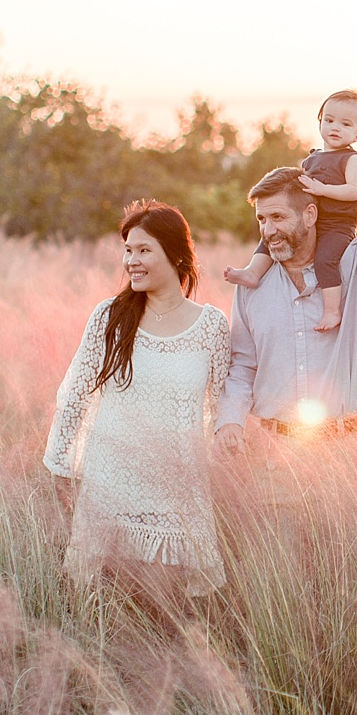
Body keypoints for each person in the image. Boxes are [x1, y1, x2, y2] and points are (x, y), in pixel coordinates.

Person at [44, 200, 232, 607]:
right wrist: (61, 467)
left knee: (164, 614)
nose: (132, 260)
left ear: (177, 254)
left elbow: (218, 410)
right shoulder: (109, 317)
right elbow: (76, 394)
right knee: (106, 612)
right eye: (128, 250)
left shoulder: (212, 326)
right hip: (110, 486)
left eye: (144, 250)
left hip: (175, 494)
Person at [213, 166, 357, 488]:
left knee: (353, 541)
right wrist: (229, 421)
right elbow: (243, 365)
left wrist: (341, 202)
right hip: (274, 461)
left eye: (278, 217)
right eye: (262, 220)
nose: (268, 231)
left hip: (351, 457)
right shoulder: (250, 284)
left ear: (310, 215)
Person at [224, 90, 357, 333]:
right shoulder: (311, 160)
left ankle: (332, 310)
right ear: (320, 121)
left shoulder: (351, 159)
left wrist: (322, 189)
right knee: (271, 236)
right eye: (329, 120)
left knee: (326, 260)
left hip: (337, 225)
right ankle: (253, 273)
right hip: (311, 221)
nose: (335, 128)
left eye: (345, 124)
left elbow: (355, 191)